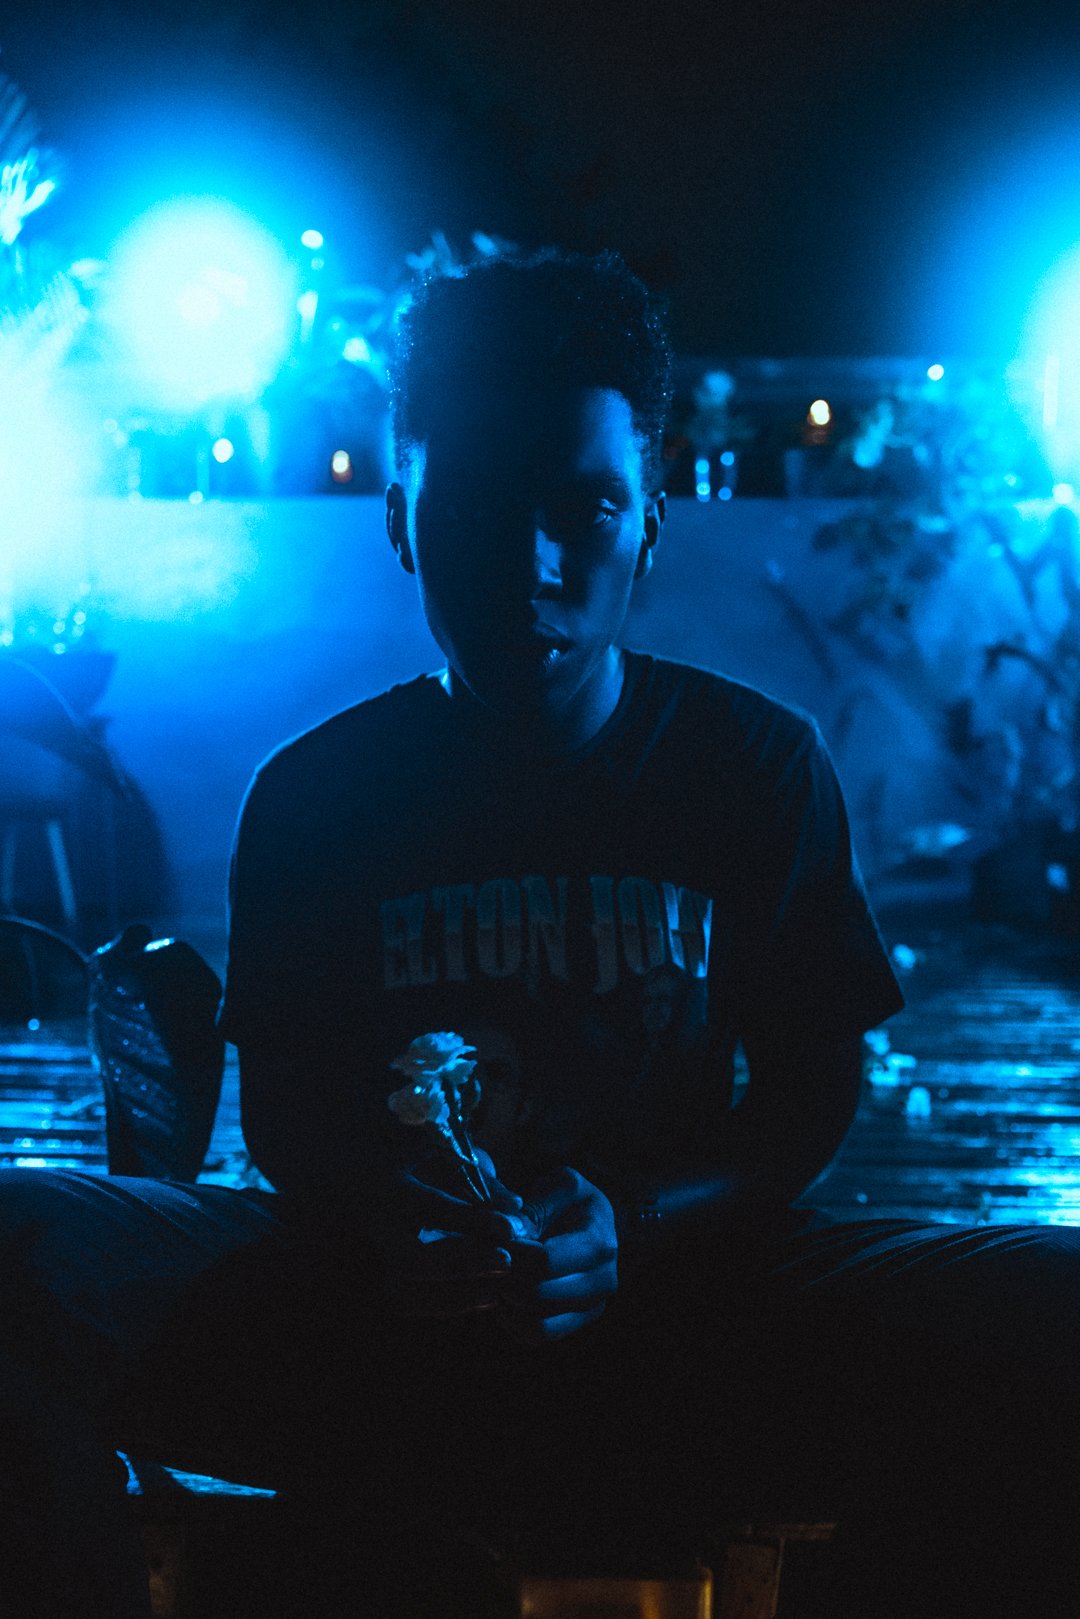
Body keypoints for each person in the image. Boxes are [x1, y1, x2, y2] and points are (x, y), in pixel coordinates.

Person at [1, 250, 1078, 1619]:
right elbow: (285, 1116)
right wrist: (401, 1229)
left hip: (692, 1308)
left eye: (587, 507)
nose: (534, 564)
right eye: (481, 510)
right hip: (373, 1322)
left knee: (1053, 1309)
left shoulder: (752, 769)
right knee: (22, 1242)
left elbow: (816, 1085)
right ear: (400, 514)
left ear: (651, 522)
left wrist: (631, 1223)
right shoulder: (318, 797)